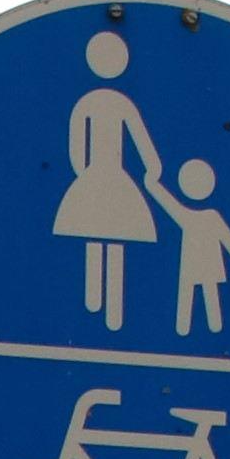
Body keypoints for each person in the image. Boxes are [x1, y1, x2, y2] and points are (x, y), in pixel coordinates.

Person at [54, 32, 165, 330]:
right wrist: (152, 169)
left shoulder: (90, 103)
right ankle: (105, 310)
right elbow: (142, 144)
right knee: (112, 236)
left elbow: (77, 148)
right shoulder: (116, 103)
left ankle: (100, 307)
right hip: (112, 177)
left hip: (95, 177)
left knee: (101, 233)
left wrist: (84, 174)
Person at [168, 157, 230, 339]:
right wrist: (152, 186)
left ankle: (209, 328)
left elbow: (227, 238)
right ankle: (185, 328)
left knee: (207, 293)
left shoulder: (202, 216)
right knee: (192, 293)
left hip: (206, 263)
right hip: (195, 263)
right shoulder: (195, 216)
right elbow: (169, 204)